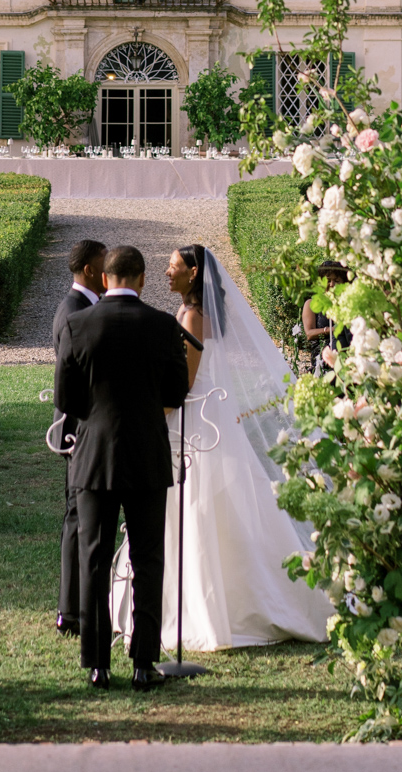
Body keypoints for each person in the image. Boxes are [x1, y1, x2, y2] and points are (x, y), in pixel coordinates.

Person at [112, 244, 330, 654]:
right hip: (205, 414)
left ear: (193, 274)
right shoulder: (190, 313)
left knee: (197, 506)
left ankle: (213, 604)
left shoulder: (192, 315)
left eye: (173, 266)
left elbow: (186, 381)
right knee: (214, 508)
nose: (166, 272)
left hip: (196, 420)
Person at [54, 243, 189, 690]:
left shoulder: (77, 324)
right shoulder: (164, 325)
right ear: (142, 279)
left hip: (93, 456)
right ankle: (144, 663)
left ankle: (97, 663)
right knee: (148, 559)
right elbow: (175, 393)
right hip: (148, 455)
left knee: (93, 557)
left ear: (105, 278)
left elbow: (65, 400)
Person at [50, 238, 107, 639]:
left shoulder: (83, 306)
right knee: (75, 519)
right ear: (89, 268)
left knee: (78, 518)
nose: (108, 273)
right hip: (78, 429)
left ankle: (74, 608)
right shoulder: (75, 311)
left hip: (84, 427)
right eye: (103, 265)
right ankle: (69, 611)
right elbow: (69, 381)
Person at [302, 259, 350, 367]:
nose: (332, 284)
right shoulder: (312, 304)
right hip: (323, 355)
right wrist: (333, 329)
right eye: (328, 280)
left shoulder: (348, 303)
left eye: (336, 280)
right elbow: (309, 333)